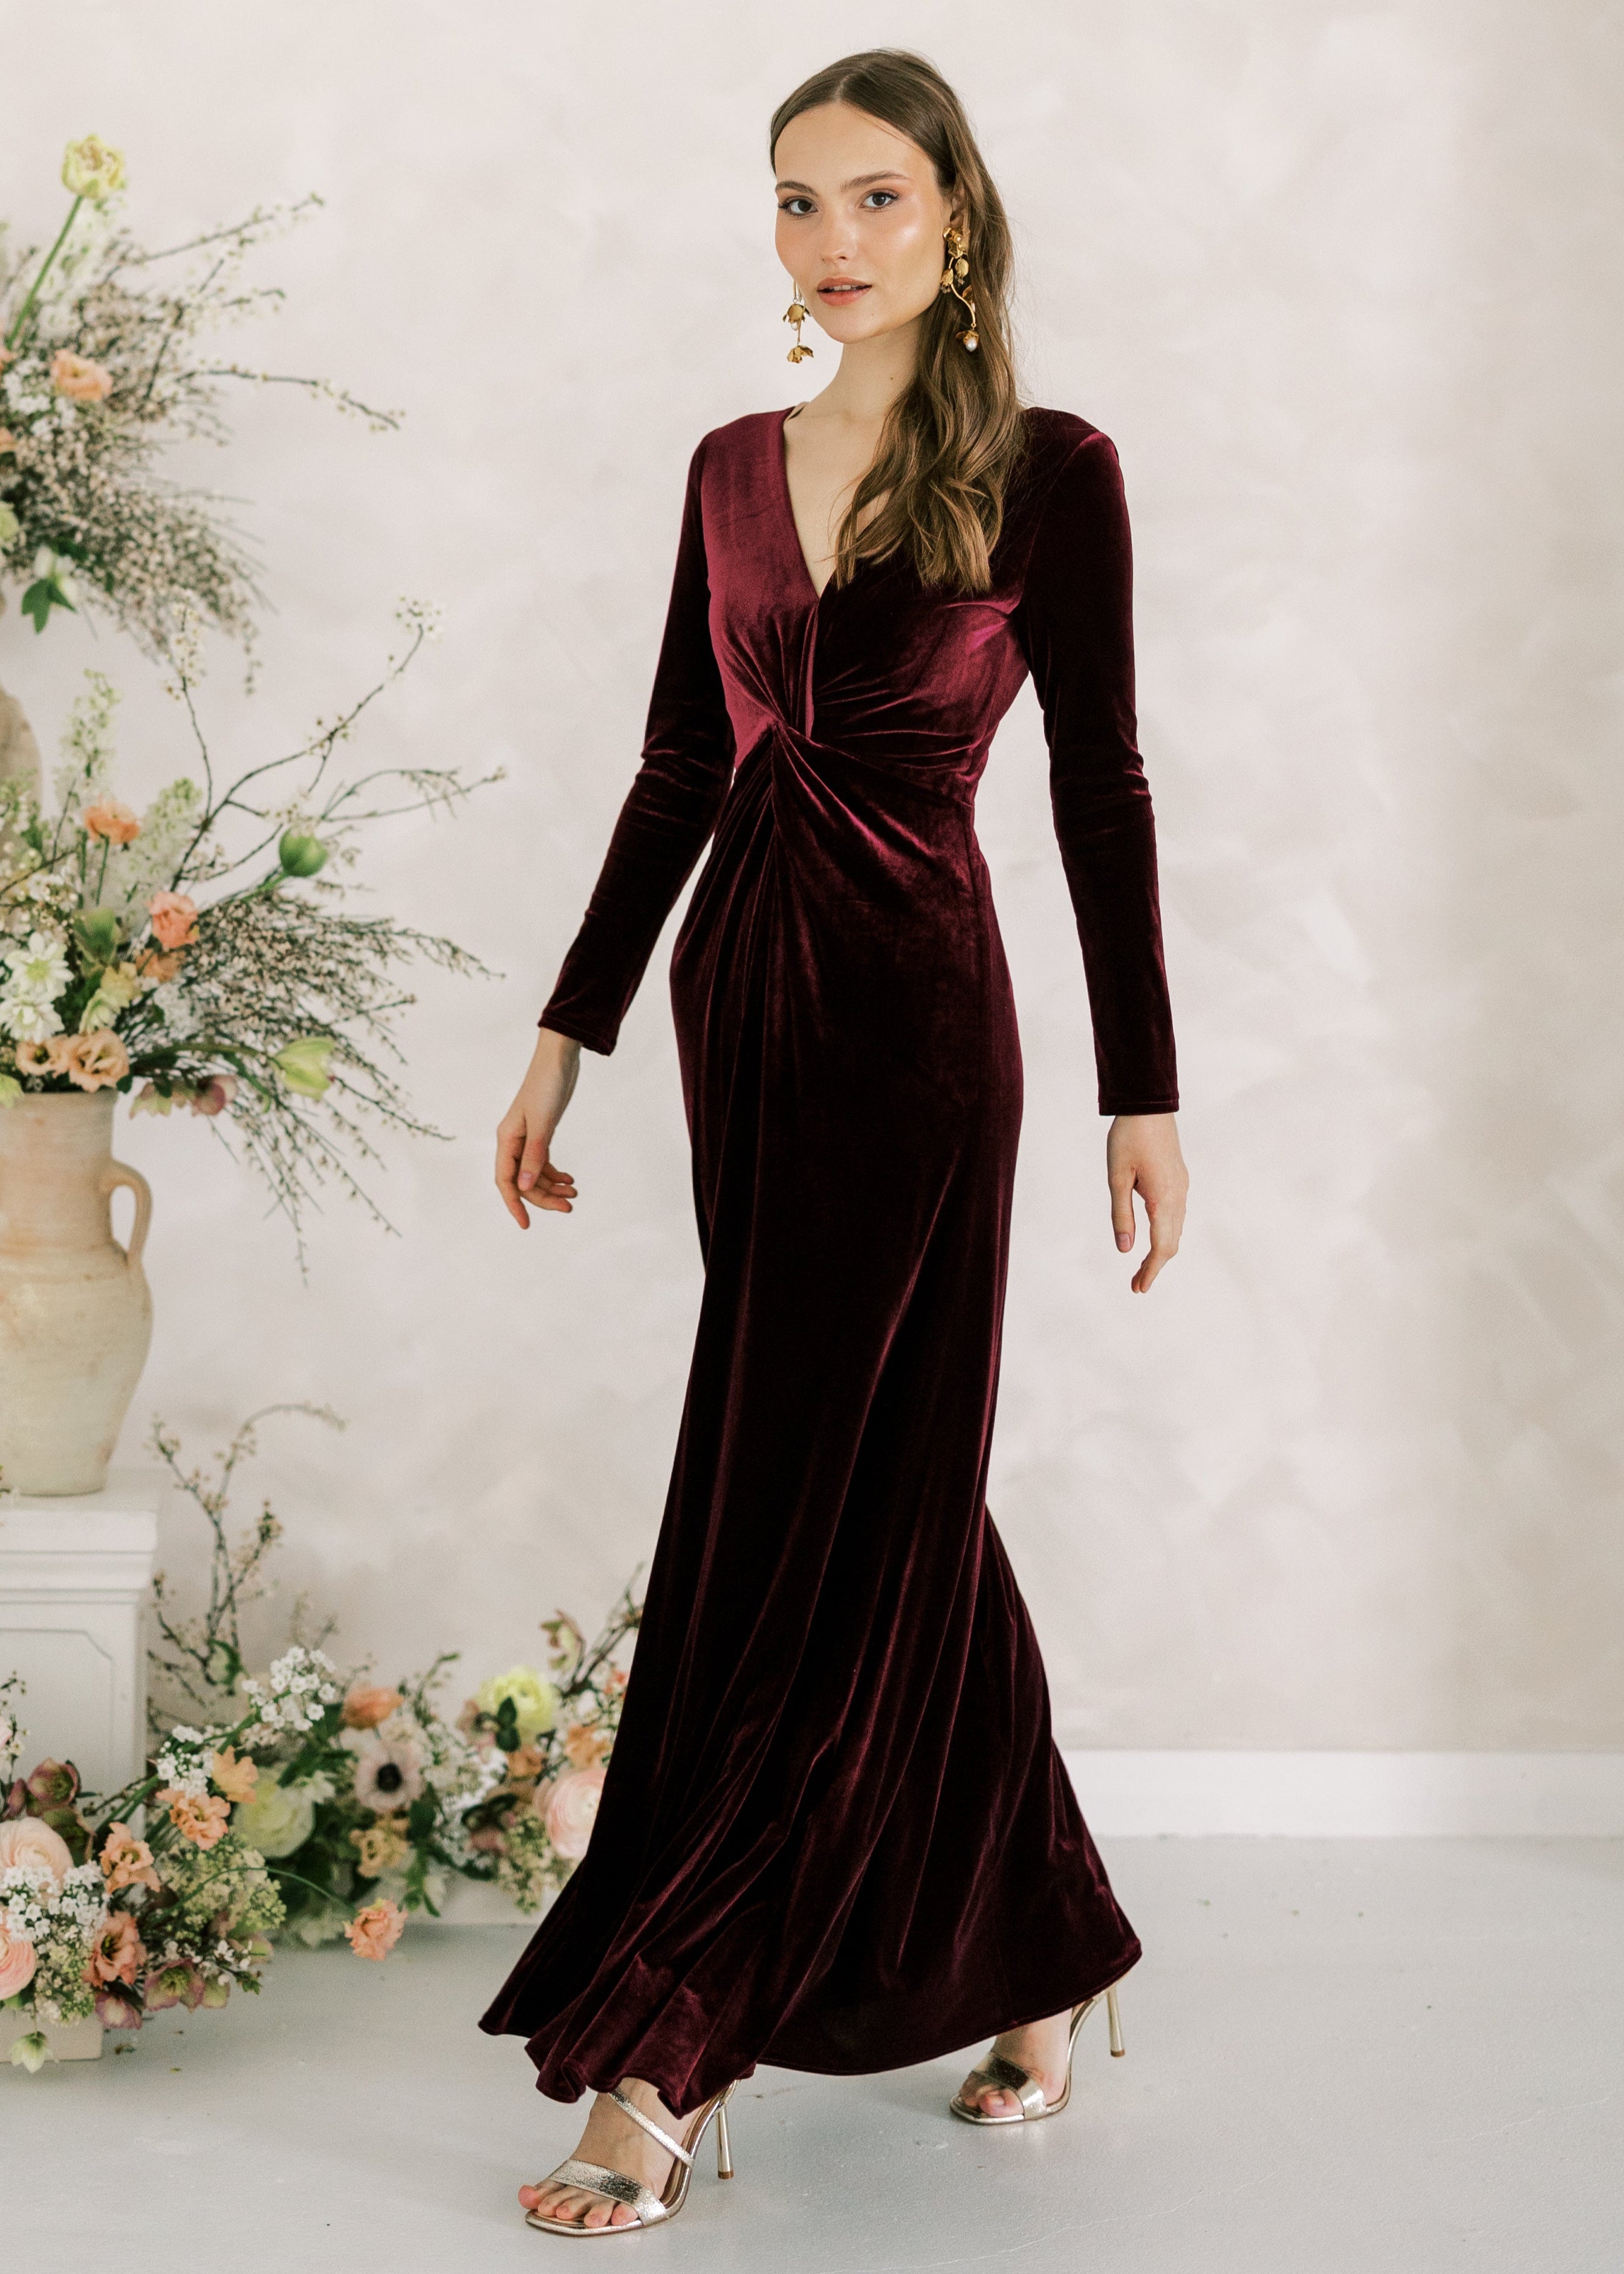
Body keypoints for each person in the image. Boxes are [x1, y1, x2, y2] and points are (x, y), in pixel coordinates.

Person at [482, 47, 1188, 2236]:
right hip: (744, 1016)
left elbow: (1102, 793)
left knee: (792, 1500)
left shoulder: (1054, 472)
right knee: (876, 1487)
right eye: (797, 204)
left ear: (956, 219)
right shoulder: (725, 469)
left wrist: (1139, 1088)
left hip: (920, 1029)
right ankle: (1042, 1946)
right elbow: (675, 767)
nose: (833, 241)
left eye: (876, 198)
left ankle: (671, 2046)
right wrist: (564, 1029)